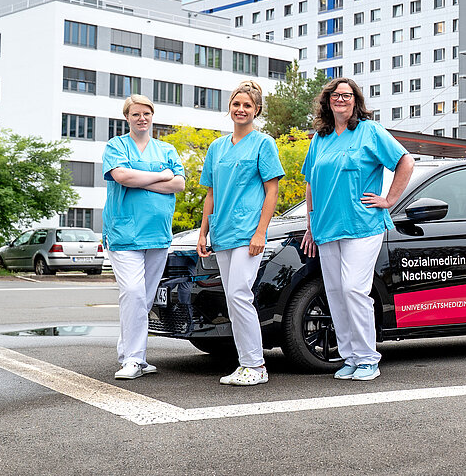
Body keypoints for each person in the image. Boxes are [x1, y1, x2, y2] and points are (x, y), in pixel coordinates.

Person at [300, 77, 415, 381]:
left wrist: (389, 199)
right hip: (326, 228)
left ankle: (368, 358)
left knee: (354, 289)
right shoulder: (319, 139)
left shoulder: (370, 131)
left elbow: (406, 161)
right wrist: (310, 226)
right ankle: (349, 356)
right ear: (328, 101)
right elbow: (311, 184)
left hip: (363, 225)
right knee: (336, 293)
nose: (341, 99)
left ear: (355, 101)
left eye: (347, 95)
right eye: (336, 95)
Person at [197, 81, 284, 386]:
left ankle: (256, 365)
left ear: (257, 110)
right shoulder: (217, 147)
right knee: (233, 300)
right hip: (222, 232)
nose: (241, 109)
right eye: (237, 104)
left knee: (239, 294)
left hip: (248, 232)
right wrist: (203, 233)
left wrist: (261, 232)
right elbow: (210, 193)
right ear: (229, 108)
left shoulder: (264, 144)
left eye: (248, 105)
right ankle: (245, 363)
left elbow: (271, 190)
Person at [102, 94, 185, 379]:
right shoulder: (116, 146)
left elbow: (180, 183)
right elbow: (123, 177)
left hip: (157, 235)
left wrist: (148, 178)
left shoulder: (166, 149)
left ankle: (130, 354)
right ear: (127, 117)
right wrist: (160, 176)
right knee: (134, 293)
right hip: (124, 233)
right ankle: (134, 360)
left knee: (143, 299)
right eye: (136, 114)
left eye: (146, 113)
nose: (142, 118)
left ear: (152, 116)